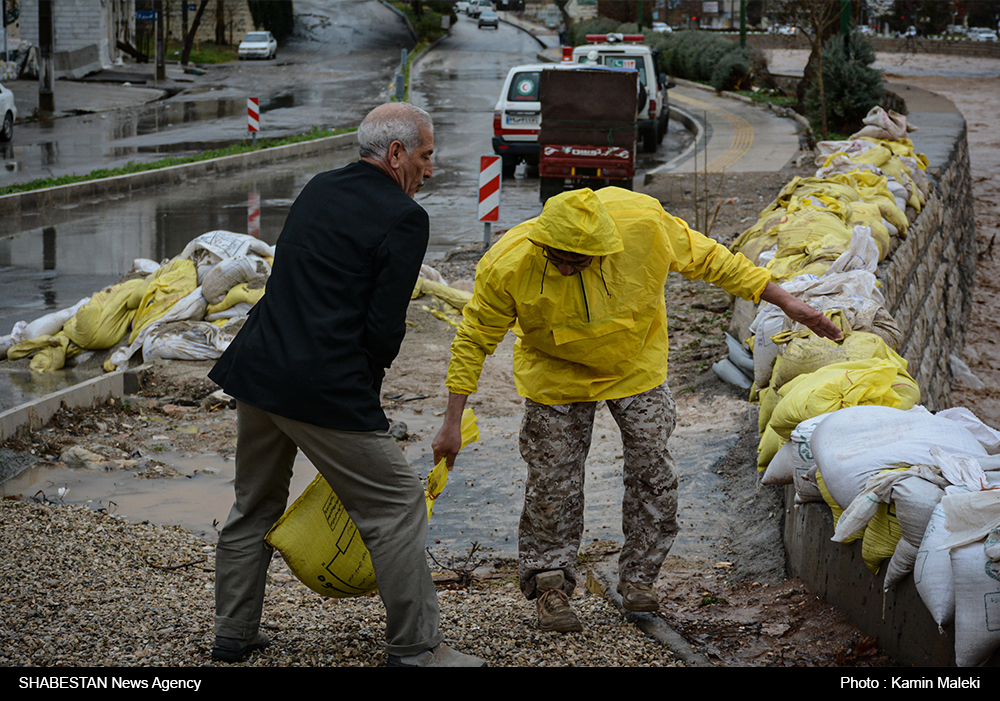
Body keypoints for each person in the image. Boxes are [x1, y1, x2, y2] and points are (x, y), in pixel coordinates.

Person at [432, 187, 840, 633]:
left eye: (580, 260)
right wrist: (452, 423)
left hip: (635, 365)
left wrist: (785, 301)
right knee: (552, 483)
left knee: (653, 470)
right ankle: (550, 586)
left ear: (605, 247)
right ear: (541, 242)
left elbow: (713, 260)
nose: (567, 267)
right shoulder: (507, 263)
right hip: (555, 375)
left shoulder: (645, 224)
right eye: (557, 258)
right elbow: (474, 339)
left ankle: (641, 578)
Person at [208, 102, 485, 667]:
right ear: (397, 153)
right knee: (398, 505)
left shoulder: (318, 187)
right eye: (427, 156)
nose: (429, 170)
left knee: (252, 505)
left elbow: (295, 277)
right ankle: (416, 649)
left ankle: (232, 635)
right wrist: (366, 393)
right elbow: (385, 326)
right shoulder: (405, 217)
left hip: (258, 370)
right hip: (324, 386)